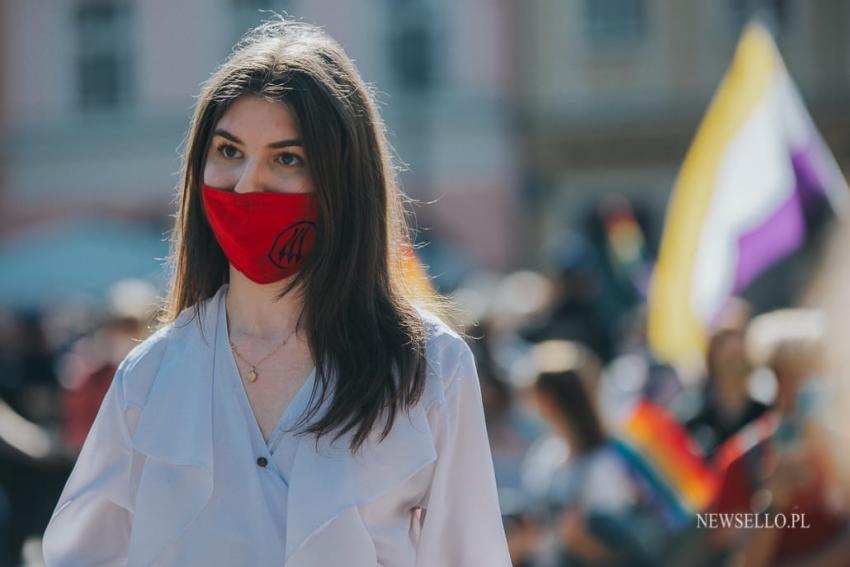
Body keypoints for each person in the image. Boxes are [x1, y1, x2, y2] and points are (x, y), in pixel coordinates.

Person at [41, 18, 509, 567]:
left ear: (343, 180)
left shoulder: (429, 369)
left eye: (287, 158)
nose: (247, 185)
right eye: (229, 152)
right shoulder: (151, 376)